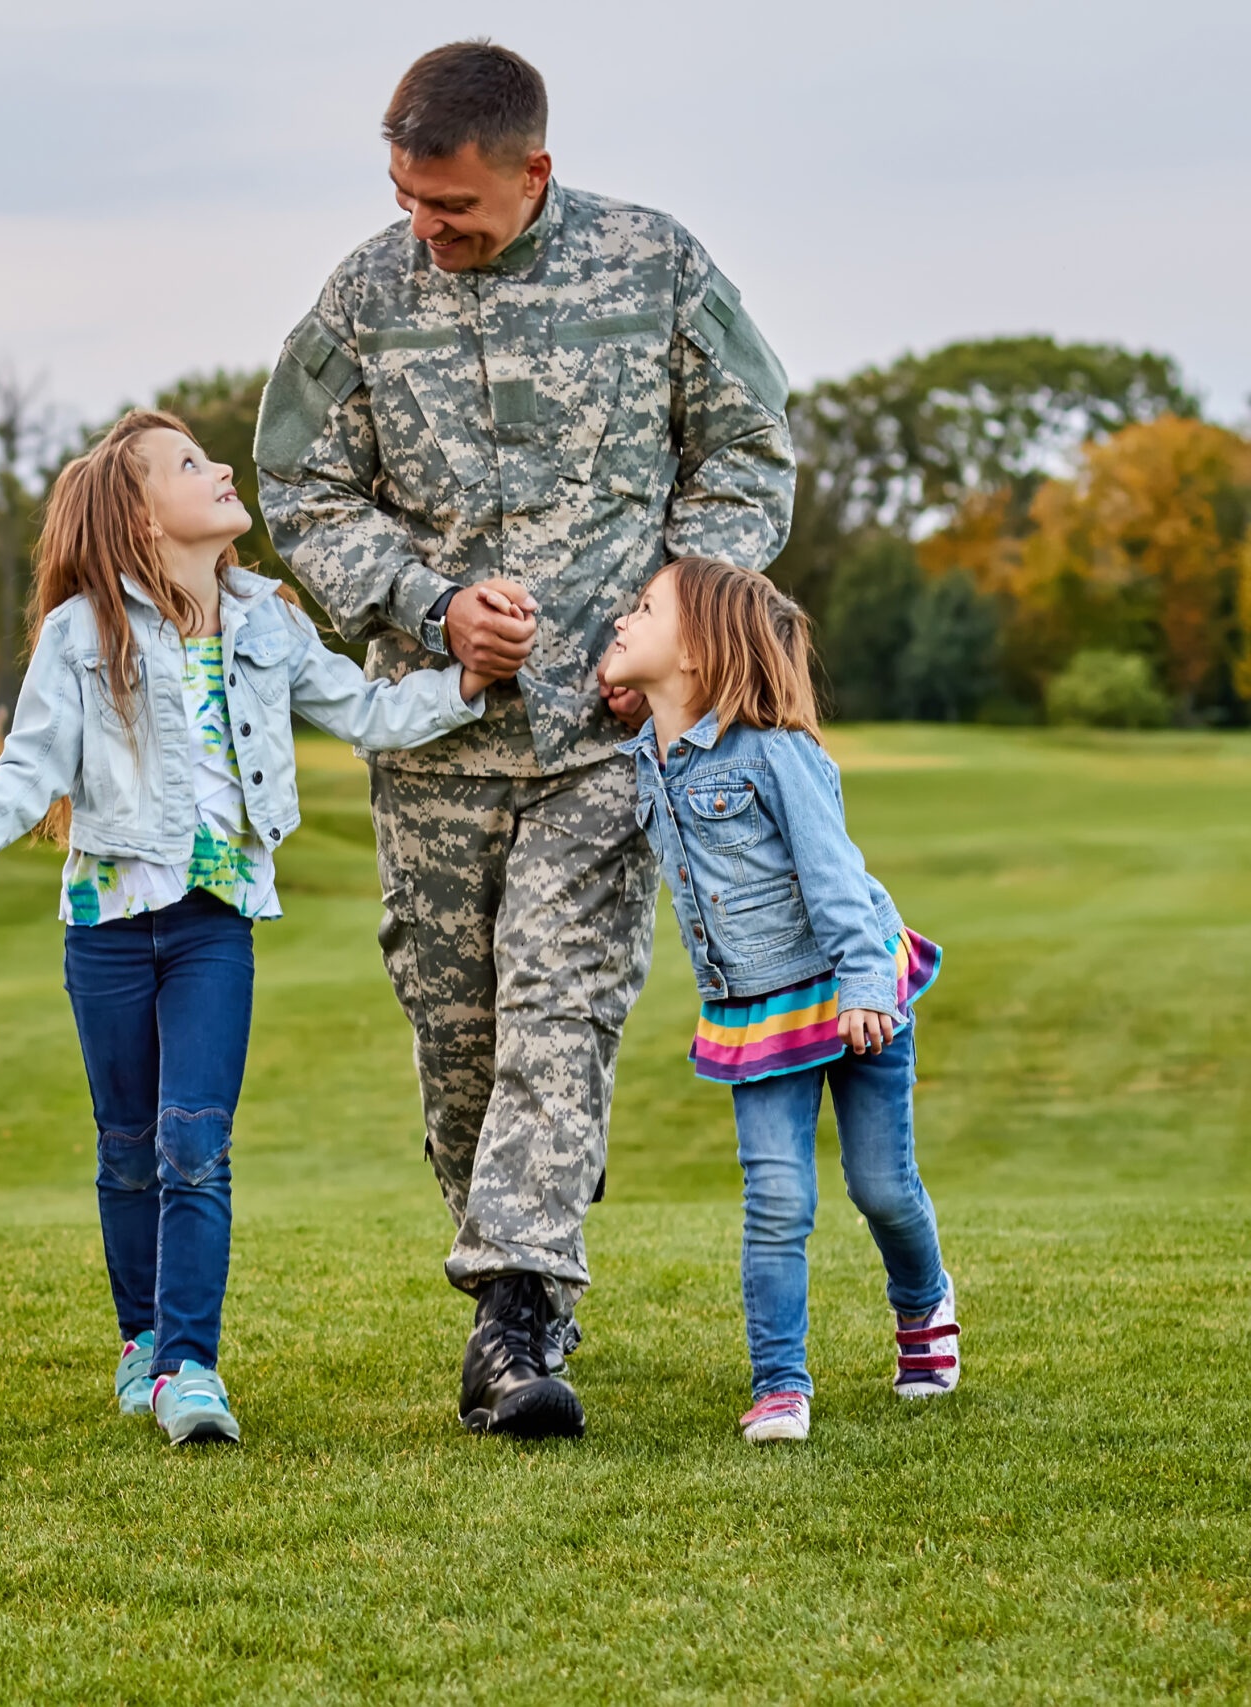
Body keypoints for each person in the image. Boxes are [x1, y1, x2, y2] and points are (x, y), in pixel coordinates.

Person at [253, 39, 798, 1437]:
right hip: (434, 745)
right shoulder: (365, 299)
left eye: (456, 210)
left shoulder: (658, 268)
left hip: (603, 742)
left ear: (533, 172)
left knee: (561, 1008)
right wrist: (429, 604)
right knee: (461, 1042)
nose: (428, 232)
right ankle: (517, 1247)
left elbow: (748, 453)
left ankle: (516, 1315)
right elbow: (298, 486)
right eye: (409, 201)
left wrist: (670, 621)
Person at [0, 410, 496, 1445]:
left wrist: (465, 687)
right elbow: (31, 767)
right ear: (139, 517)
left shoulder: (265, 616)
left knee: (193, 1144)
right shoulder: (81, 633)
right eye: (189, 464)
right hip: (107, 924)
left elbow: (363, 711)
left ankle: (189, 1367)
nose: (221, 469)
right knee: (128, 1148)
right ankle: (140, 1338)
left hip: (216, 920)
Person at [601, 558, 957, 1442]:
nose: (620, 616)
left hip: (850, 988)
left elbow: (835, 878)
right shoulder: (648, 755)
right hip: (755, 1009)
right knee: (776, 1197)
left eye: (644, 609)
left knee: (881, 1186)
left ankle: (923, 1306)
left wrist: (870, 985)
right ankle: (780, 1384)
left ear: (696, 656)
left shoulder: (775, 752)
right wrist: (632, 700)